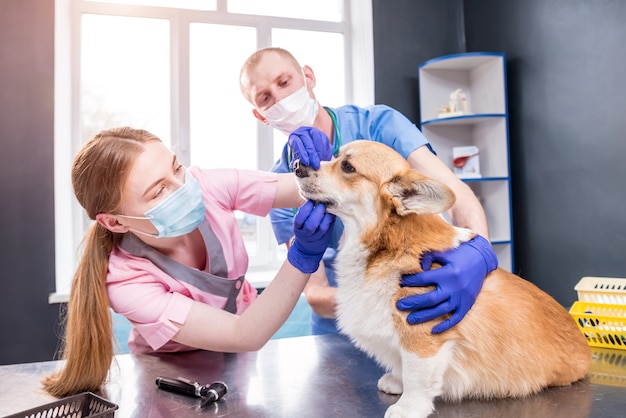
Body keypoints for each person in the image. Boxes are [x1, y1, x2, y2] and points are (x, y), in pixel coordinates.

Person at [42, 127, 335, 397]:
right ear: (115, 222)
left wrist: (320, 168)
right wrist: (302, 257)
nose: (182, 187)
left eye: (176, 168)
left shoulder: (206, 186)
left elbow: (298, 189)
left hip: (238, 361)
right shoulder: (126, 281)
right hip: (171, 377)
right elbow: (243, 333)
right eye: (158, 191)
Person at [239, 47, 498, 336]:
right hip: (344, 330)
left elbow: (455, 193)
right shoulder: (282, 186)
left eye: (284, 82)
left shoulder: (376, 126)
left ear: (308, 77)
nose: (281, 99)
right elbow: (317, 295)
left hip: (421, 306)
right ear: (260, 116)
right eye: (266, 98)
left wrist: (481, 252)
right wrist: (397, 303)